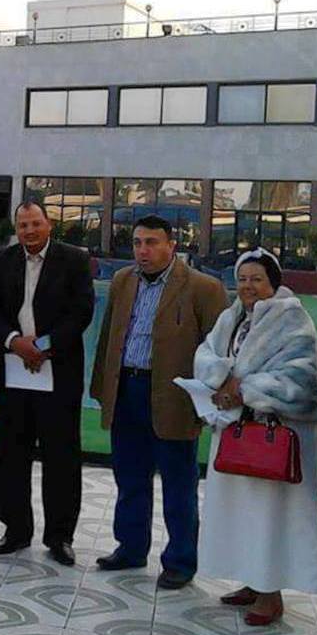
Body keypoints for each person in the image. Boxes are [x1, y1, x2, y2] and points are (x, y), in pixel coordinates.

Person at [89, 215, 227, 588]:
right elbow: (108, 336)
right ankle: (131, 547)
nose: (142, 251)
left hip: (173, 396)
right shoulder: (123, 281)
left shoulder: (203, 288)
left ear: (171, 246)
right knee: (130, 477)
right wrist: (103, 387)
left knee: (178, 483)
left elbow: (218, 350)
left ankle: (180, 560)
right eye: (137, 243)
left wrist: (207, 400)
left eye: (151, 243)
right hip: (127, 390)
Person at [194, 249, 317, 625]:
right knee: (243, 514)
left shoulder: (293, 319)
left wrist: (246, 390)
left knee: (271, 518)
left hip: (277, 436)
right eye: (243, 279)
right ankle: (252, 581)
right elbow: (206, 353)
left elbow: (302, 380)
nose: (248, 286)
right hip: (237, 431)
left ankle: (270, 595)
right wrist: (219, 378)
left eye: (257, 279)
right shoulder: (232, 316)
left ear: (273, 283)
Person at [0, 199, 95, 562]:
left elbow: (81, 312)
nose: (29, 231)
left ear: (49, 225)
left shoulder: (74, 260)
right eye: (22, 225)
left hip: (57, 372)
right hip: (13, 370)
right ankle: (15, 530)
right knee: (12, 453)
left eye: (35, 224)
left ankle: (60, 537)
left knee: (61, 455)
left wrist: (43, 347)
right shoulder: (1, 261)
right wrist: (15, 343)